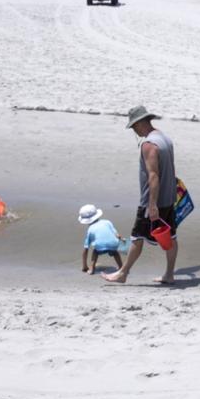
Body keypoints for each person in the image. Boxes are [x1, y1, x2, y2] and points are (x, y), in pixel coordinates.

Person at [103, 105, 178, 285]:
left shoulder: (148, 145)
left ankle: (123, 273)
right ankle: (169, 274)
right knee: (171, 237)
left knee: (137, 237)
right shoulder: (165, 138)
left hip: (153, 200)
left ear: (141, 122)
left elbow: (153, 176)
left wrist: (152, 205)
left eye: (134, 126)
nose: (134, 130)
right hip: (169, 198)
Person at [78, 204, 124, 274]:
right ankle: (121, 267)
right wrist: (122, 239)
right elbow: (117, 235)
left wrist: (84, 266)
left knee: (95, 252)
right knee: (115, 252)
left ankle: (91, 269)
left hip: (100, 246)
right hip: (113, 244)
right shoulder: (107, 222)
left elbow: (86, 249)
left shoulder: (90, 229)